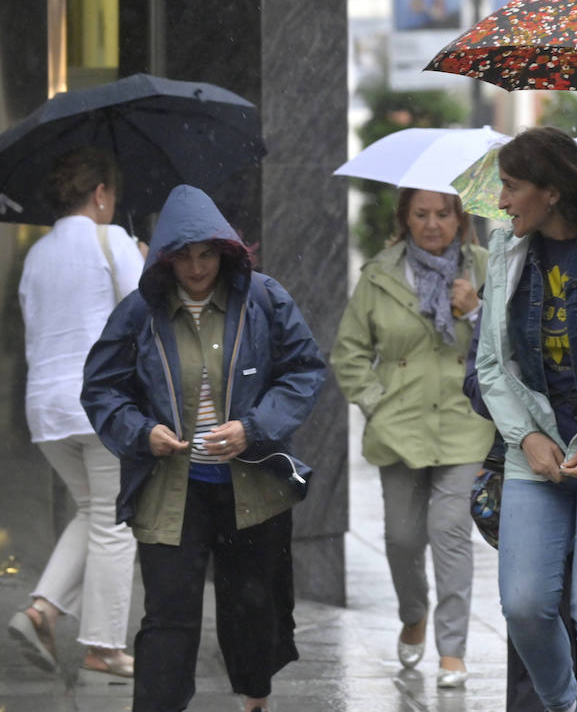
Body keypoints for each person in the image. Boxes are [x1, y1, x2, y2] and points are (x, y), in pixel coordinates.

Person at [81, 184, 326, 712]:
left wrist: (253, 427)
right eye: (185, 257)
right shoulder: (139, 311)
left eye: (207, 254)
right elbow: (102, 388)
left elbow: (304, 370)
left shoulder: (263, 298)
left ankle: (255, 699)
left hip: (252, 486)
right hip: (171, 491)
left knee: (252, 612)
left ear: (226, 252)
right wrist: (141, 431)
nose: (196, 268)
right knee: (168, 618)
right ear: (166, 258)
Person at [474, 127, 577, 712]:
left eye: (512, 186)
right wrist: (527, 438)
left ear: (550, 192)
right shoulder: (506, 251)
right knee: (523, 605)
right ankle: (565, 706)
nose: (501, 200)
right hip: (536, 451)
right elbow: (491, 364)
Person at [331, 187, 493, 686]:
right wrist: (377, 404)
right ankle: (413, 612)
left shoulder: (486, 269)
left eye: (443, 214)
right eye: (421, 214)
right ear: (405, 218)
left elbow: (511, 341)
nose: (433, 224)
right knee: (402, 539)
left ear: (459, 217)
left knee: (450, 531)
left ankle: (452, 651)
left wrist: (474, 311)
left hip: (465, 424)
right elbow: (350, 351)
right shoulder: (380, 274)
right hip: (399, 429)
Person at [9, 147, 141, 681]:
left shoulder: (36, 254)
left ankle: (41, 611)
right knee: (116, 523)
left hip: (47, 410)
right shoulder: (113, 242)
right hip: (101, 405)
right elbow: (144, 315)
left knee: (93, 512)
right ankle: (103, 647)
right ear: (101, 194)